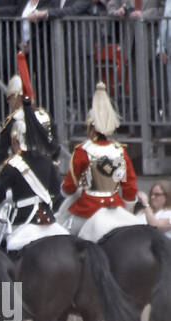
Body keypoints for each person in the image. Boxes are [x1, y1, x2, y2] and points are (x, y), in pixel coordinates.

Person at [60, 82, 142, 243]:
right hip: (115, 207)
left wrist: (64, 192)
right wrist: (127, 211)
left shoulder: (82, 151)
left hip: (88, 209)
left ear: (91, 129)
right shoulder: (120, 151)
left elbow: (70, 187)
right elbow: (130, 188)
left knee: (62, 235)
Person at [0, 100, 69, 253]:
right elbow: (55, 190)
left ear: (16, 141)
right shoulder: (47, 160)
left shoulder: (12, 165)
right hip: (48, 219)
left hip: (24, 219)